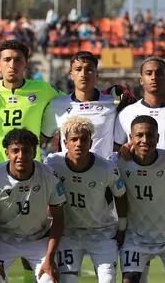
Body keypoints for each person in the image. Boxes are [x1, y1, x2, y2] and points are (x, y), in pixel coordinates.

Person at [113, 57, 165, 283]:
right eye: (149, 73)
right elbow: (118, 149)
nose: (154, 77)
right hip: (138, 206)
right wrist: (125, 148)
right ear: (141, 79)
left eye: (159, 73)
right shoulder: (127, 113)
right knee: (136, 275)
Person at [0, 128, 66, 283]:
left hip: (38, 239)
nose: (21, 156)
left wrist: (50, 258)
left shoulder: (49, 175)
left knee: (50, 280)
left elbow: (59, 219)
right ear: (7, 153)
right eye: (15, 150)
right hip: (3, 239)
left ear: (34, 152)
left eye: (26, 151)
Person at [45, 117, 127, 283]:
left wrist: (122, 227)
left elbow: (121, 195)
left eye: (84, 139)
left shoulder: (107, 167)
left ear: (91, 142)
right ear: (65, 142)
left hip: (102, 232)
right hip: (68, 233)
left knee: (107, 280)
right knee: (67, 280)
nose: (78, 144)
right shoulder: (52, 163)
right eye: (74, 139)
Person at [0, 41, 63, 167]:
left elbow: (70, 102)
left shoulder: (43, 89)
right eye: (7, 60)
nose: (12, 65)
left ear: (26, 64)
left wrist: (46, 132)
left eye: (18, 60)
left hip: (31, 167)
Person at [42, 51, 123, 159]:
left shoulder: (113, 104)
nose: (83, 74)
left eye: (89, 69)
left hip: (103, 173)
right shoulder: (56, 105)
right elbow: (41, 139)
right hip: (68, 173)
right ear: (71, 75)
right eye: (78, 69)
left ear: (96, 74)